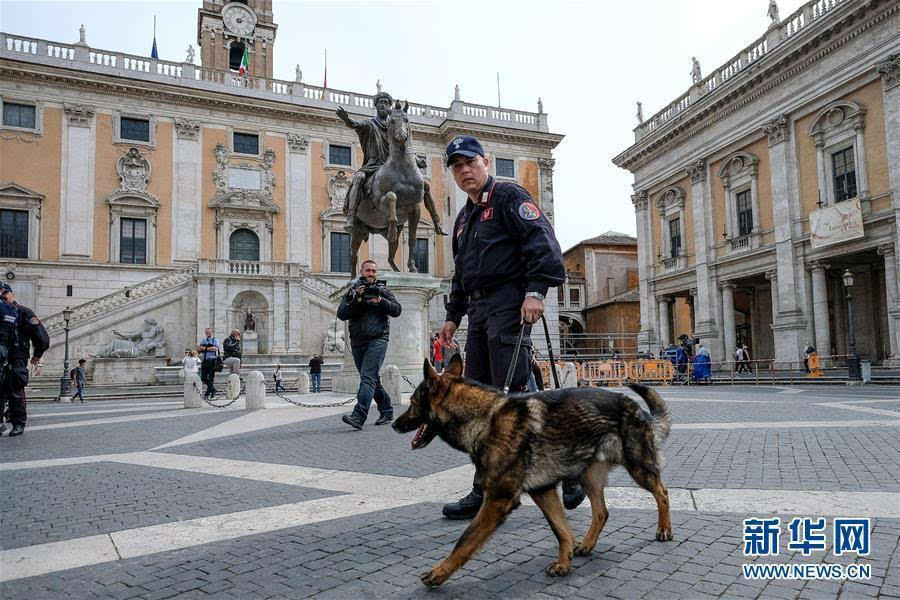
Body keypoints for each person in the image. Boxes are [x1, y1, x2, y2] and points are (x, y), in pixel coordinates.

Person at [438, 135, 584, 520]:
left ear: (486, 162)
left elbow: (543, 244)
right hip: (480, 311)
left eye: (470, 162)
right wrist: (453, 315)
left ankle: (569, 469)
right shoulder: (463, 219)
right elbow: (462, 273)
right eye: (457, 166)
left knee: (518, 398)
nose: (465, 170)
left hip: (510, 305)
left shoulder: (508, 196)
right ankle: (485, 487)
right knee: (480, 404)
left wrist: (536, 291)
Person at [336, 92, 446, 235]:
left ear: (390, 106)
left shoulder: (394, 125)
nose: (383, 105)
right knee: (358, 178)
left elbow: (404, 147)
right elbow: (355, 124)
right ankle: (351, 216)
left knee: (424, 185)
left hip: (393, 167)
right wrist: (347, 119)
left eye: (387, 103)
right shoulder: (370, 124)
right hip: (373, 165)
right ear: (375, 105)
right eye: (380, 102)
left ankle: (436, 221)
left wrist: (418, 160)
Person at [337, 259, 401, 429]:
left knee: (367, 377)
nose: (371, 274)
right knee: (372, 379)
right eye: (368, 270)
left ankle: (359, 415)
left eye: (374, 271)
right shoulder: (352, 291)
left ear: (377, 273)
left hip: (378, 339)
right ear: (361, 271)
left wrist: (381, 301)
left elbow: (397, 310)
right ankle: (387, 410)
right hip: (357, 341)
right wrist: (357, 300)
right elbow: (342, 314)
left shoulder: (383, 291)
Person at [0, 282, 49, 437]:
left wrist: (37, 354)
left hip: (17, 357)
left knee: (15, 391)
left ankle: (18, 423)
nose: (2, 298)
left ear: (12, 294)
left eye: (4, 294)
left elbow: (41, 337)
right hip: (2, 357)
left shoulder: (23, 312)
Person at [197, 328, 221, 398]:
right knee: (203, 378)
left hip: (212, 361)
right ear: (205, 333)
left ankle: (207, 394)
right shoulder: (203, 341)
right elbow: (198, 349)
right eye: (207, 332)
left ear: (211, 332)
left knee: (211, 378)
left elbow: (215, 348)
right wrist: (201, 349)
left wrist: (205, 348)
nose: (208, 333)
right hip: (204, 361)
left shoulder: (215, 340)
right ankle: (213, 390)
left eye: (209, 332)